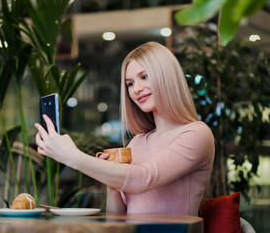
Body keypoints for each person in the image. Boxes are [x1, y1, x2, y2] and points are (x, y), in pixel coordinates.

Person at [35, 41, 215, 216]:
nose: (136, 89)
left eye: (144, 77)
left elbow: (145, 178)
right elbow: (117, 217)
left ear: (166, 77)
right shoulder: (137, 142)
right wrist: (111, 180)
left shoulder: (196, 133)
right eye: (130, 83)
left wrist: (73, 157)